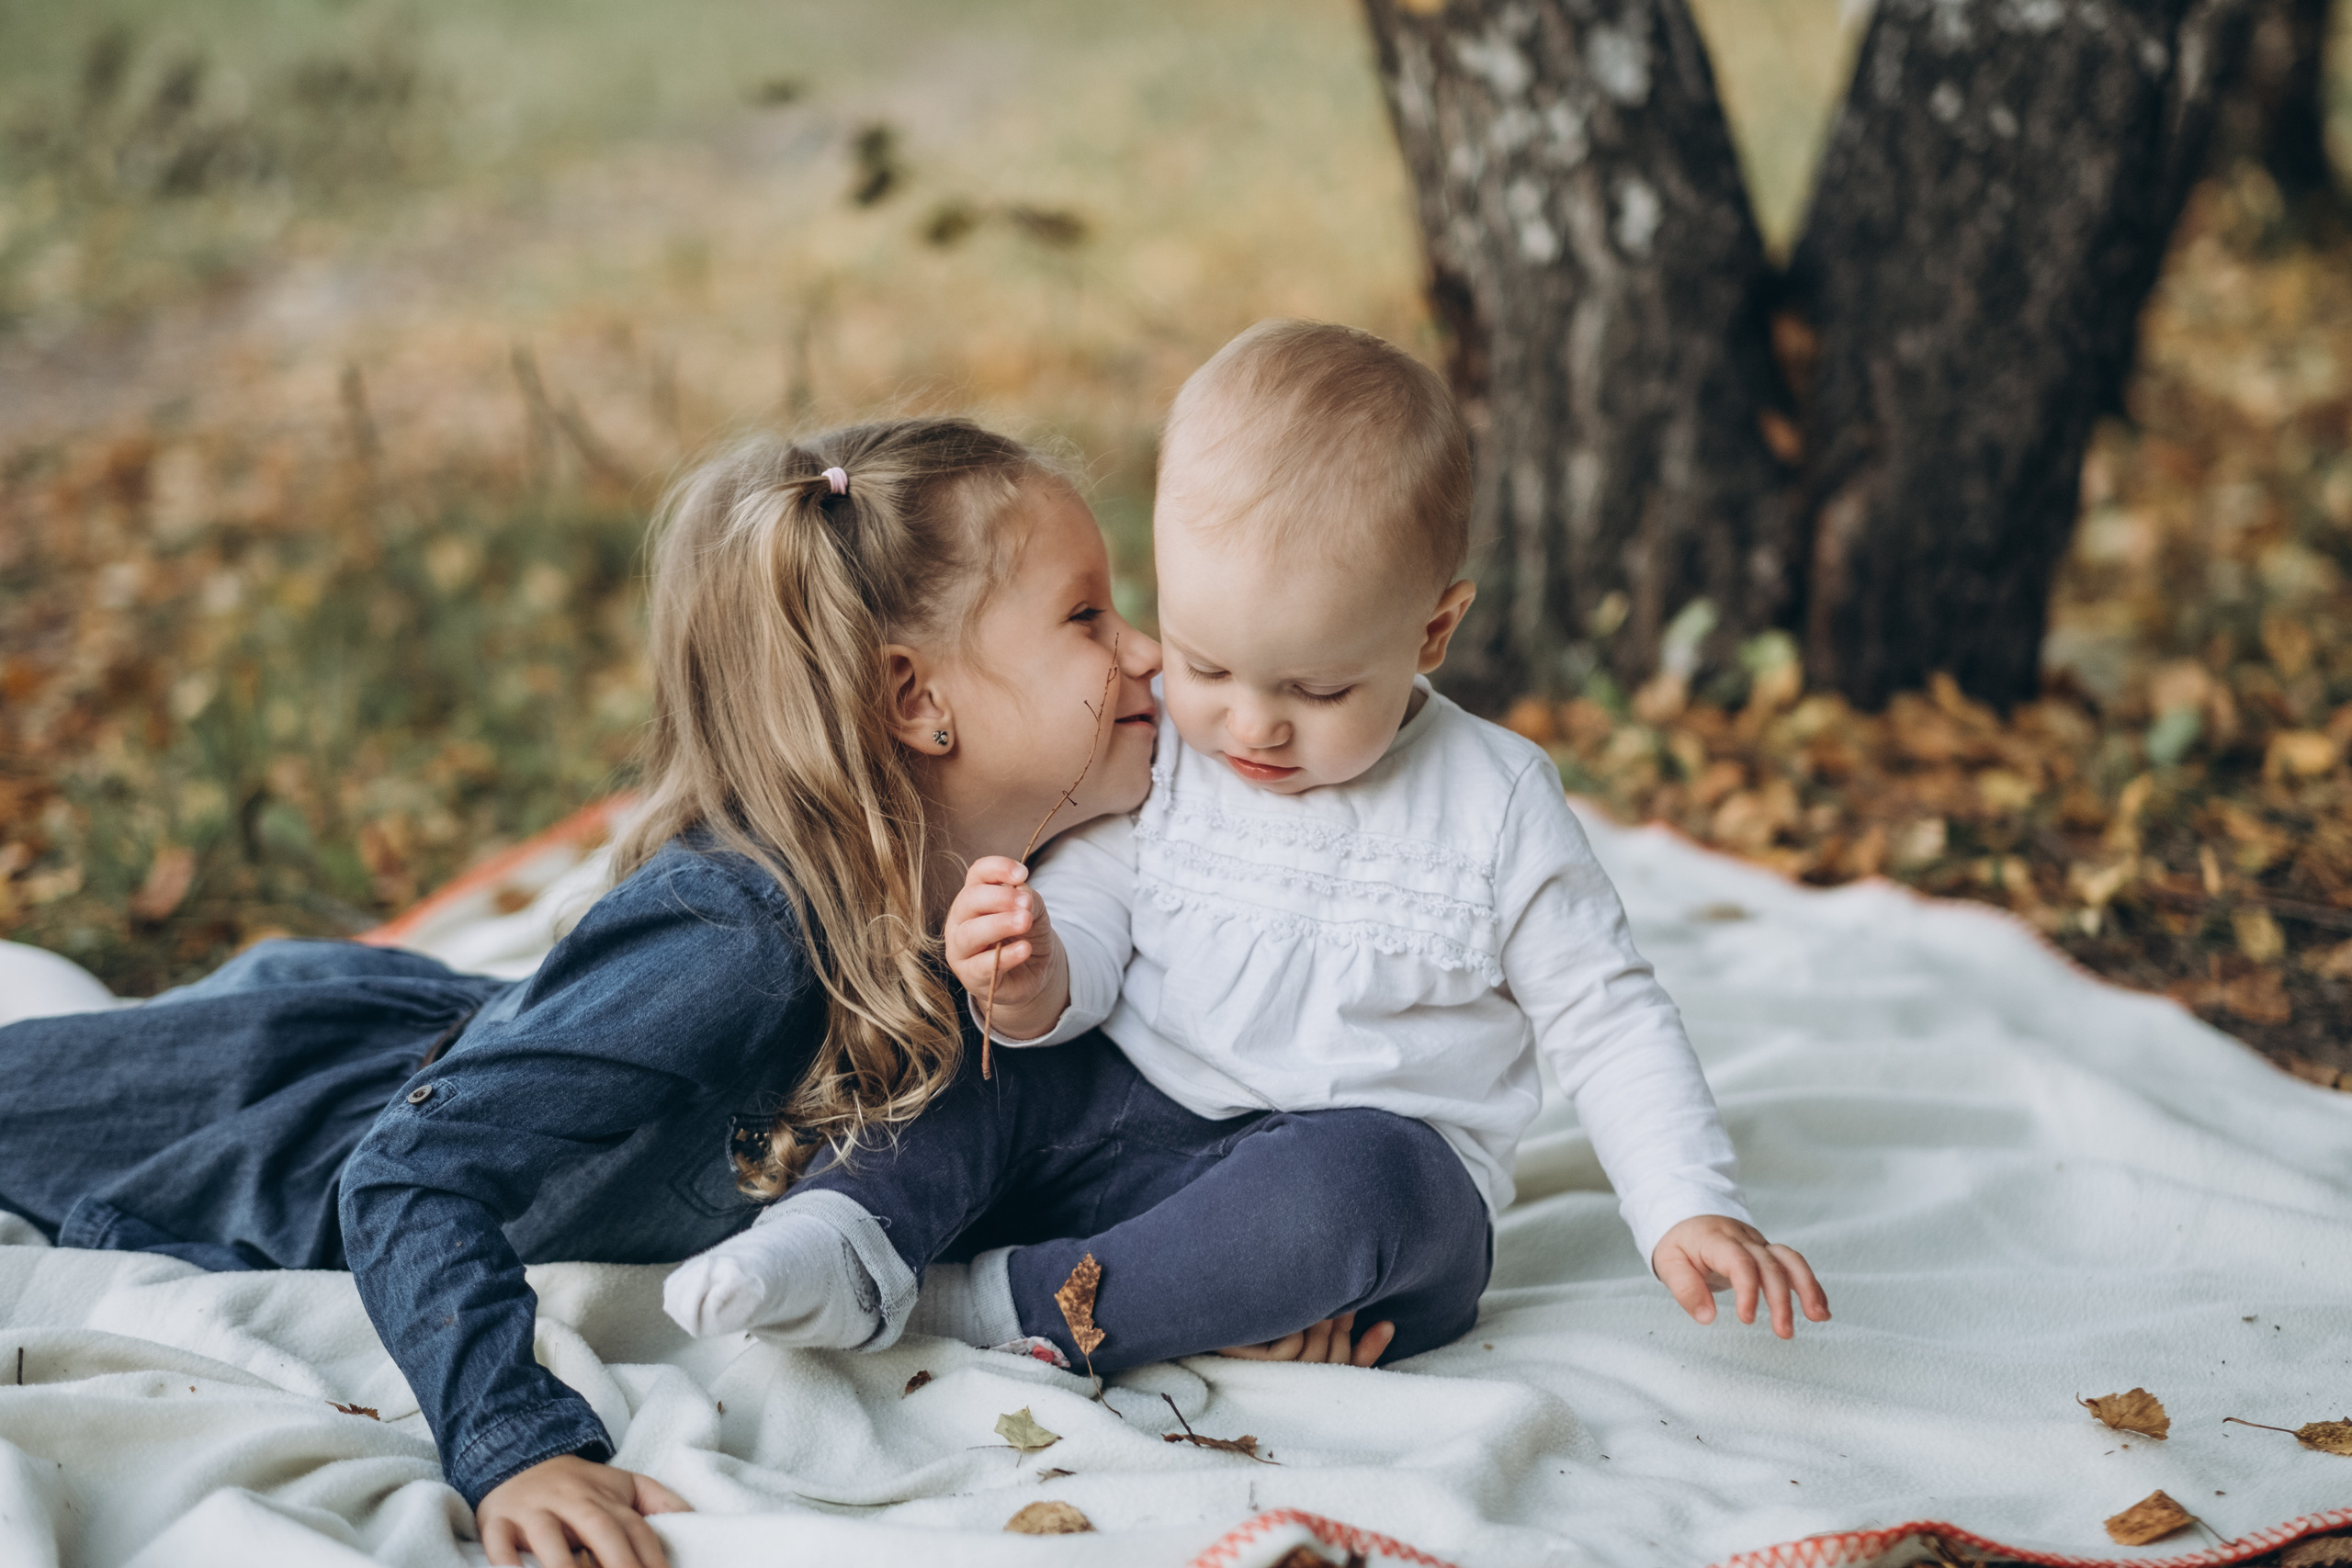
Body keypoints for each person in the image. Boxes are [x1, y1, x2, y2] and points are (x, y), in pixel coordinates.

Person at [0, 419, 1163, 1568]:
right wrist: (516, 1444)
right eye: (1088, 617)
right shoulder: (743, 944)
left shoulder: (1054, 905)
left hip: (460, 1036)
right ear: (914, 699)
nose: (1149, 652)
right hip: (285, 1126)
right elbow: (407, 1173)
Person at [666, 321, 1831, 1375]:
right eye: (1205, 663)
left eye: (1317, 689)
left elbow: (1607, 1015)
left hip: (1347, 1169)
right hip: (1122, 1108)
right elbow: (1100, 898)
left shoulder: (1496, 803)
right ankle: (842, 1239)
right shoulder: (1171, 748)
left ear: (1432, 629)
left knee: (1362, 1203)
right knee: (985, 1070)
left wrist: (1686, 1205)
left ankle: (989, 1303)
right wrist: (1035, 978)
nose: (1251, 725)